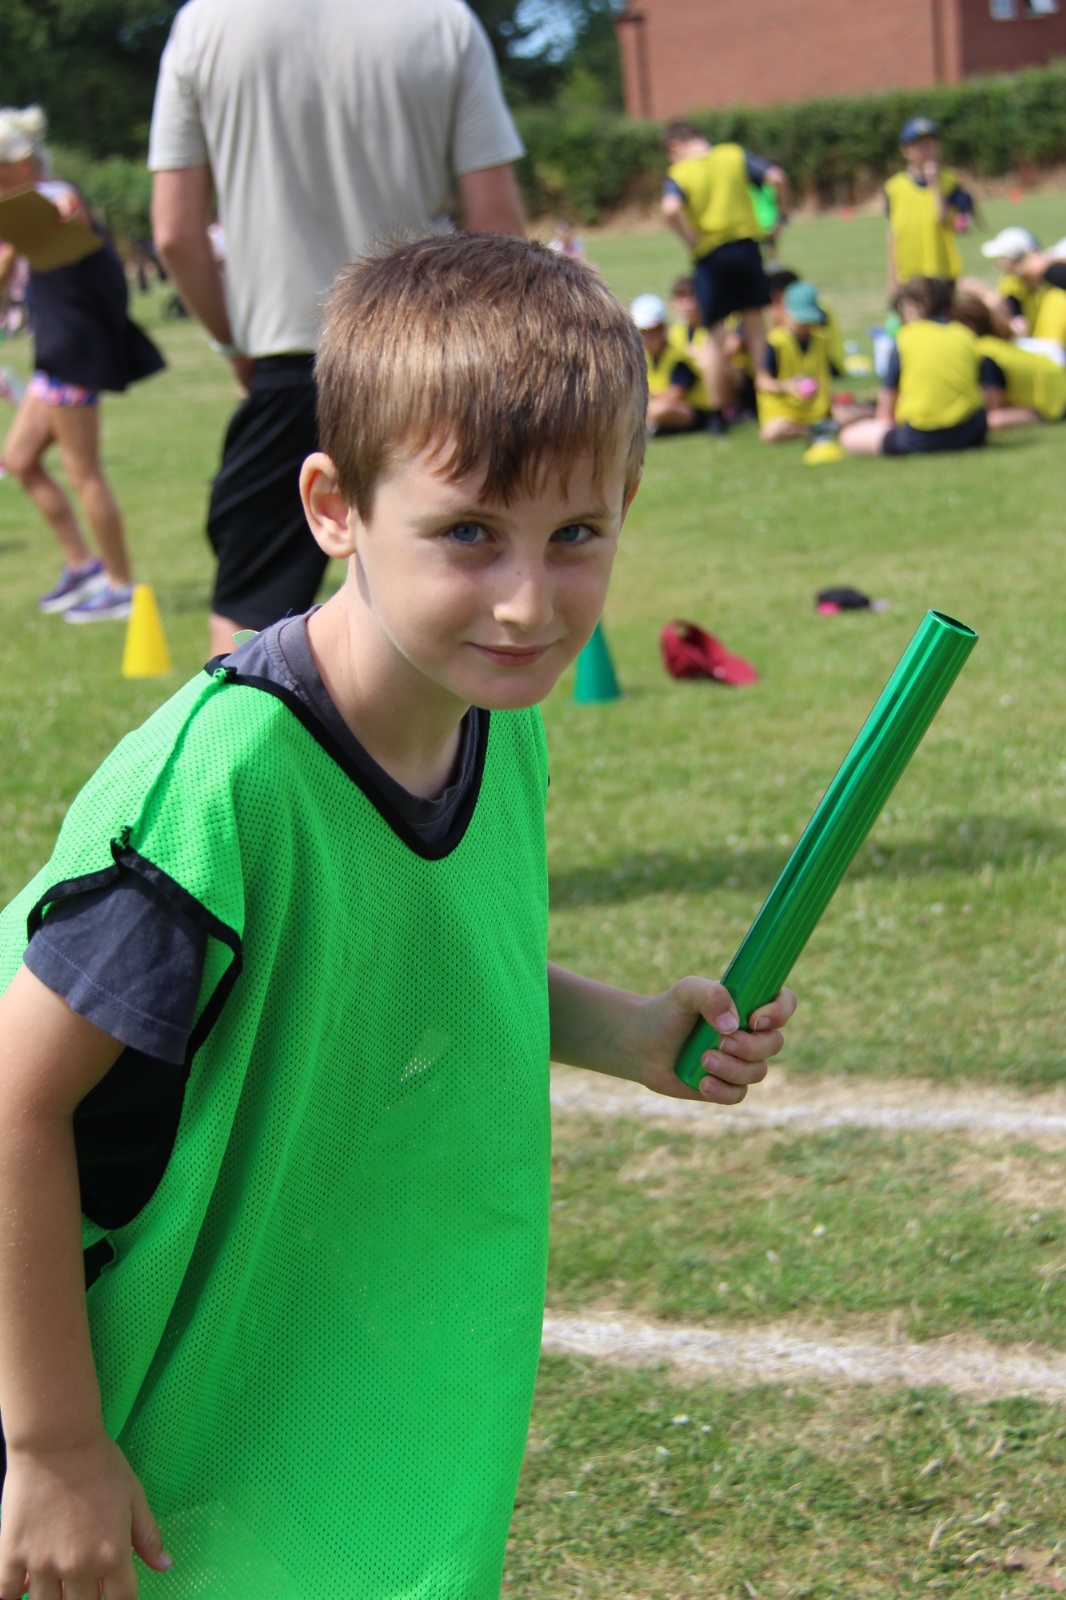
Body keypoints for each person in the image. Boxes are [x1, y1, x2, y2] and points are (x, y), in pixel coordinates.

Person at [0, 233, 798, 1599]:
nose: (526, 602)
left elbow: (414, 957)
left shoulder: (494, 715)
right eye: (469, 533)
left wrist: (626, 1032)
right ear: (334, 507)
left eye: (576, 535)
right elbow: (18, 1098)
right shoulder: (228, 785)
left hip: (310, 1378)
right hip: (106, 1381)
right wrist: (54, 1444)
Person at [148, 0, 527, 658]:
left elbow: (176, 235)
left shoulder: (205, 24)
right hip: (432, 358)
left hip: (287, 359)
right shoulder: (443, 21)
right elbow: (497, 227)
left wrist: (235, 343)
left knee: (248, 619)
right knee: (455, 590)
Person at [0, 106, 164, 621]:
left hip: (73, 353)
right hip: (55, 356)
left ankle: (120, 585)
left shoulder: (53, 198)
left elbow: (70, 214)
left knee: (82, 470)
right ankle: (83, 566)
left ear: (21, 162)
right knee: (20, 460)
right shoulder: (25, 210)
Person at [661, 120, 789, 435]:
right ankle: (766, 401)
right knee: (756, 327)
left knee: (715, 336)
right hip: (746, 248)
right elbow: (776, 177)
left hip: (710, 256)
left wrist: (687, 238)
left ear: (674, 146)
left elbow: (669, 208)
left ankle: (718, 415)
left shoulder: (680, 172)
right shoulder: (733, 155)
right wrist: (781, 217)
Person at [840, 276, 986, 458]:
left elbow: (886, 410)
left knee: (849, 436)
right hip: (972, 431)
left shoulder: (906, 337)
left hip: (923, 435)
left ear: (910, 306)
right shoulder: (964, 334)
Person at [952, 290, 1066, 428]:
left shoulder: (983, 353)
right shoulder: (992, 343)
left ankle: (1033, 416)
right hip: (1056, 390)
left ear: (969, 326)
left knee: (986, 420)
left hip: (1053, 406)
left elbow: (993, 404)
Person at [884, 116, 972, 295]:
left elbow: (943, 219)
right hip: (909, 276)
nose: (927, 150)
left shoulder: (951, 181)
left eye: (931, 144)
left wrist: (934, 183)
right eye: (920, 145)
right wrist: (893, 279)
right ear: (905, 150)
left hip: (942, 274)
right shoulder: (893, 188)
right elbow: (893, 235)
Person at [977, 226, 1066, 348]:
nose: (1000, 264)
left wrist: (1045, 269)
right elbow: (1010, 305)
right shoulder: (1011, 282)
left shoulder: (1055, 291)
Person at [632, 291, 707, 434]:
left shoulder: (678, 359)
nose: (647, 337)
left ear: (663, 330)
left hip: (692, 410)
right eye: (643, 332)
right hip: (656, 404)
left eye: (652, 331)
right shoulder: (643, 357)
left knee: (660, 410)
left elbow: (675, 396)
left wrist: (649, 398)